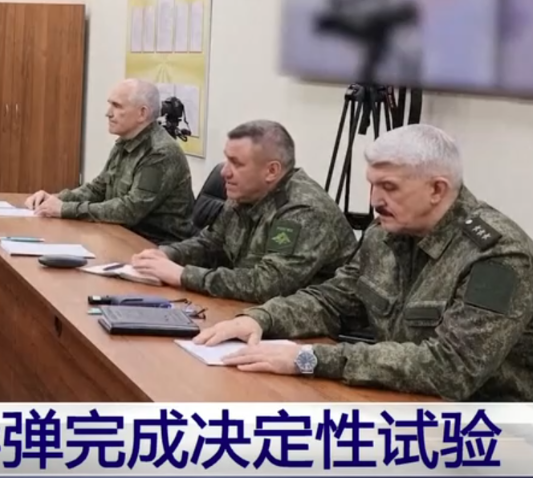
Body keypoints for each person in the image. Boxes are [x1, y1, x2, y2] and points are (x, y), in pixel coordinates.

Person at [195, 124, 533, 401]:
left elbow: (452, 369)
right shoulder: (384, 234)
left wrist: (309, 358)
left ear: (437, 190)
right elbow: (335, 300)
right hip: (400, 401)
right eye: (372, 185)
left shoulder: (497, 255)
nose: (374, 201)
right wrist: (262, 318)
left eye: (389, 187)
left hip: (489, 428)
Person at [128, 120, 356, 302]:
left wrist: (182, 275)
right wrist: (168, 254)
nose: (225, 172)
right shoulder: (245, 194)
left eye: (236, 163)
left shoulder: (303, 211)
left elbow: (268, 285)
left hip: (308, 330)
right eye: (227, 160)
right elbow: (210, 244)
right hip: (249, 311)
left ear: (271, 171)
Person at [24, 79, 193, 245]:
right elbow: (99, 188)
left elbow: (130, 210)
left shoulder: (160, 153)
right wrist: (56, 199)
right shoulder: (125, 142)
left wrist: (65, 209)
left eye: (117, 106)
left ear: (142, 113)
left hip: (155, 246)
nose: (108, 113)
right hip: (121, 236)